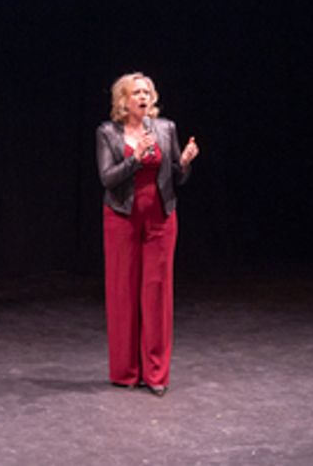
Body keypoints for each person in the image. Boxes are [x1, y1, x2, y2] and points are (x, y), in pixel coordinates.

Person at [95, 72, 200, 396]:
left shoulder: (165, 128)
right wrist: (135, 158)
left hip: (160, 220)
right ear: (123, 100)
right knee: (123, 292)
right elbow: (107, 178)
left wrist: (184, 163)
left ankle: (156, 374)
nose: (143, 97)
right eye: (136, 92)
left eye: (147, 92)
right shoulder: (108, 132)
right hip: (121, 219)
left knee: (156, 293)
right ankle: (126, 372)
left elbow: (176, 176)